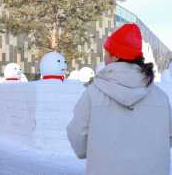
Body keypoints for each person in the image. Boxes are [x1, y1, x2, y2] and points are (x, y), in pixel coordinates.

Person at [67, 23, 172, 175]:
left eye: (107, 52)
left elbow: (77, 135)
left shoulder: (93, 93)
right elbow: (168, 138)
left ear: (115, 56)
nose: (105, 57)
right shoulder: (160, 97)